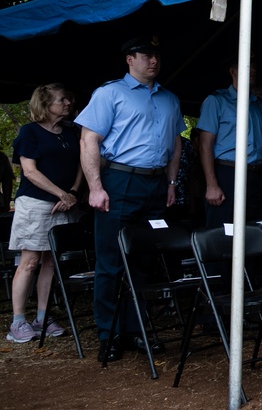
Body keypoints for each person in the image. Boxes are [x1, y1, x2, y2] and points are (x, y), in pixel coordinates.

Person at [76, 36, 185, 361]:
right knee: (110, 263)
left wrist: (171, 182)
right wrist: (95, 187)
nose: (153, 61)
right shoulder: (110, 93)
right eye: (146, 55)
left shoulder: (170, 98)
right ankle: (108, 336)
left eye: (157, 55)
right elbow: (88, 139)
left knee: (144, 261)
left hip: (154, 185)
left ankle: (136, 330)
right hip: (119, 180)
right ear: (129, 59)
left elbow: (176, 143)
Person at [7, 84, 79, 343]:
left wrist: (72, 192)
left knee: (51, 262)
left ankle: (42, 317)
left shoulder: (72, 132)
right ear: (45, 104)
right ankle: (17, 322)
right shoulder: (30, 132)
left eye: (69, 99)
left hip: (67, 203)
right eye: (63, 100)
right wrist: (62, 194)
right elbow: (30, 171)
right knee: (30, 262)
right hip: (36, 203)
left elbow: (83, 163)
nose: (69, 103)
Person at [196, 56, 262, 228]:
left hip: (255, 174)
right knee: (222, 231)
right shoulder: (216, 101)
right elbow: (205, 146)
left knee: (255, 229)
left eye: (254, 66)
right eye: (247, 66)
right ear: (233, 71)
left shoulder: (257, 104)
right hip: (227, 173)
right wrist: (212, 185)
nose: (252, 70)